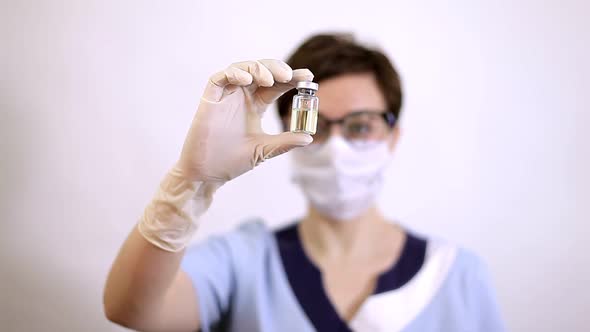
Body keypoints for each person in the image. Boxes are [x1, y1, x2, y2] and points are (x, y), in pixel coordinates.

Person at [104, 34, 506, 332]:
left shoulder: (460, 276)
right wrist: (191, 183)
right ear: (286, 132)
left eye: (360, 126)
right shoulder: (243, 262)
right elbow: (130, 309)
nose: (336, 147)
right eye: (315, 126)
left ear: (393, 136)